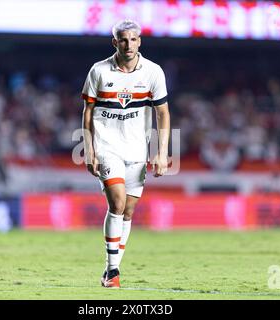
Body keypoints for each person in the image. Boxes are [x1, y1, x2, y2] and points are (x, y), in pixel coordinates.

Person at [81, 19, 171, 288]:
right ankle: (112, 270)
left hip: (137, 150)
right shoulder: (98, 71)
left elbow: (162, 112)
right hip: (107, 148)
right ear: (114, 42)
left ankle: (112, 269)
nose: (128, 44)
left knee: (128, 212)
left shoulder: (153, 72)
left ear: (139, 41)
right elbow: (87, 113)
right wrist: (89, 149)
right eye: (123, 39)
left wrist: (161, 150)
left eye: (133, 39)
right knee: (117, 204)